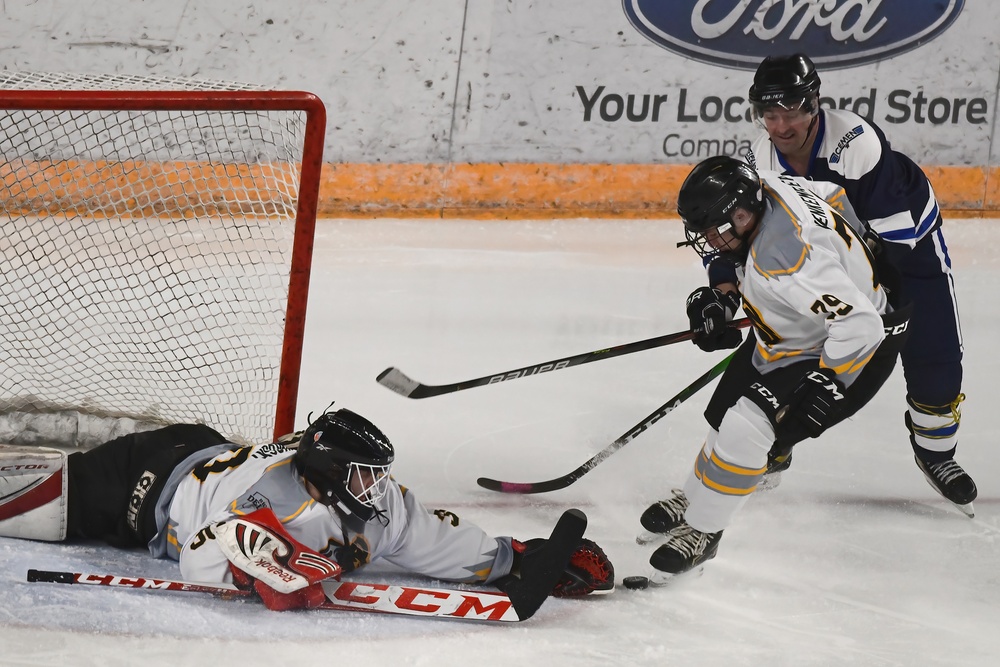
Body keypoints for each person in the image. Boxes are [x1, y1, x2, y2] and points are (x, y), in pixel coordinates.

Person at [0, 406, 613, 610]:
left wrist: (512, 560)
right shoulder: (266, 495)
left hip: (201, 446)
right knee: (16, 502)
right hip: (139, 487)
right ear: (326, 474)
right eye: (365, 474)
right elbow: (199, 559)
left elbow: (430, 539)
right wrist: (262, 566)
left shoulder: (376, 504)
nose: (378, 486)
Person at [636, 156, 910, 583]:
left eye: (720, 230)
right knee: (722, 418)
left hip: (843, 351)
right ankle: (694, 500)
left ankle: (705, 532)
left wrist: (827, 380)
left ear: (744, 212)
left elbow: (861, 326)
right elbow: (831, 195)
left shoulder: (789, 259)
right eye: (707, 233)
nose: (714, 240)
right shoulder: (763, 185)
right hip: (786, 337)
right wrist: (723, 297)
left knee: (746, 427)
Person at [740, 53, 976, 513]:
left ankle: (935, 453)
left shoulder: (855, 142)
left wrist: (875, 306)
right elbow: (749, 236)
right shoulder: (760, 160)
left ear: (814, 105)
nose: (781, 126)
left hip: (907, 249)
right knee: (794, 362)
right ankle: (777, 441)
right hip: (830, 260)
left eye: (791, 112)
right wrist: (728, 289)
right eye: (770, 114)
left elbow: (890, 244)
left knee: (934, 353)